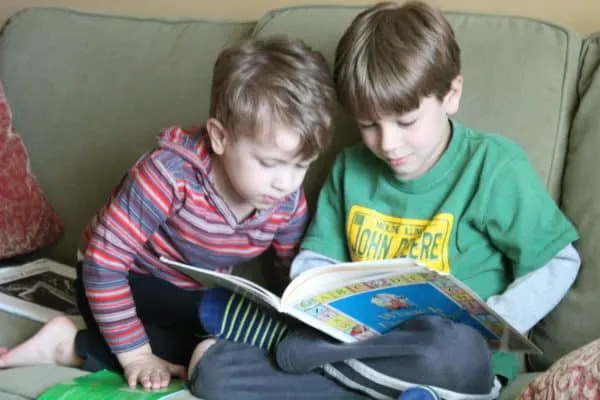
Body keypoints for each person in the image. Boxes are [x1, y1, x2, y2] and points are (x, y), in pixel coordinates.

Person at [184, 1, 581, 399]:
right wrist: (310, 301)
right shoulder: (349, 168)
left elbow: (560, 260)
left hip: (450, 362)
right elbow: (315, 264)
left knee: (453, 350)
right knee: (213, 373)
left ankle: (310, 358)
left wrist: (498, 320)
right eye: (368, 124)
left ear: (452, 94)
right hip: (362, 347)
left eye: (406, 121)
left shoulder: (493, 165)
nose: (387, 143)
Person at [0, 34, 336, 390]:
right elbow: (104, 264)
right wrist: (137, 357)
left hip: (186, 293)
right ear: (220, 138)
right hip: (118, 279)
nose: (286, 183)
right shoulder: (169, 175)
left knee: (252, 340)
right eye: (270, 163)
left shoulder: (286, 200)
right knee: (213, 342)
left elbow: (289, 277)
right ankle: (69, 346)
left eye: (302, 165)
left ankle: (76, 344)